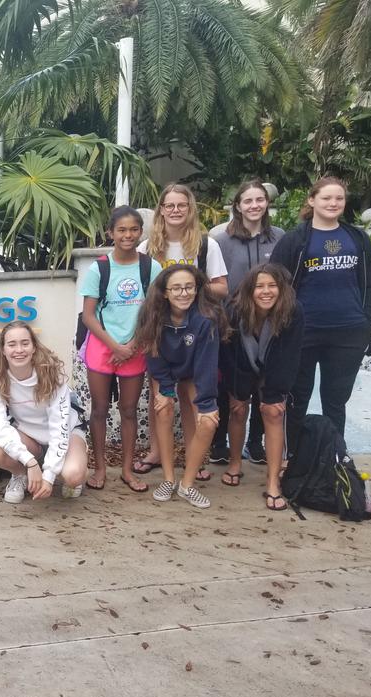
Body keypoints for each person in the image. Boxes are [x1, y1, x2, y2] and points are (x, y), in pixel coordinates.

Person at [270, 177, 371, 453]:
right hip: (303, 332)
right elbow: (275, 283)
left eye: (339, 199)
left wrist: (367, 320)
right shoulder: (294, 240)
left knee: (335, 401)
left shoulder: (357, 237)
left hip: (348, 333)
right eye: (326, 198)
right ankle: (293, 459)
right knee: (297, 398)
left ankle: (333, 459)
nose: (333, 203)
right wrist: (283, 322)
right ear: (312, 200)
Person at [134, 183, 228, 479]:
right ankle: (157, 452)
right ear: (161, 209)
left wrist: (186, 289)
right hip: (161, 328)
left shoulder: (205, 244)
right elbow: (140, 288)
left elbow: (223, 287)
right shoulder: (147, 246)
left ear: (190, 209)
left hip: (196, 330)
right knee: (159, 396)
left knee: (192, 397)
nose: (175, 211)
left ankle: (193, 456)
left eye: (181, 205)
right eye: (169, 205)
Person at [79, 206, 161, 493]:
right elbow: (88, 315)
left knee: (129, 410)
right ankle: (99, 468)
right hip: (102, 348)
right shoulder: (99, 268)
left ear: (141, 232)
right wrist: (116, 346)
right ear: (111, 233)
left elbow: (154, 312)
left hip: (135, 347)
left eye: (133, 230)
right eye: (122, 230)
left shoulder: (151, 267)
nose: (128, 235)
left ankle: (126, 469)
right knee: (99, 410)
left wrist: (132, 346)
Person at [135, 265, 230, 509]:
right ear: (165, 293)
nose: (183, 293)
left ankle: (187, 484)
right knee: (163, 408)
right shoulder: (153, 315)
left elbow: (206, 366)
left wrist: (207, 404)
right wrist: (165, 390)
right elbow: (154, 357)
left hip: (195, 372)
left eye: (189, 287)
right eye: (176, 288)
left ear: (197, 290)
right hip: (165, 371)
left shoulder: (205, 320)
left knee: (209, 421)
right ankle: (168, 478)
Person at [209, 181, 286, 466]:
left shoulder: (278, 237)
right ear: (238, 205)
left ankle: (255, 442)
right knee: (229, 384)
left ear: (266, 203)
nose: (254, 206)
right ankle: (220, 442)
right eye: (248, 201)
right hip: (232, 323)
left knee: (263, 385)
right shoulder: (221, 240)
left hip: (269, 324)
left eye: (260, 200)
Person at [220, 264, 304, 510]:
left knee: (274, 412)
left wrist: (274, 393)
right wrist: (238, 388)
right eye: (259, 286)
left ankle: (272, 482)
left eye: (272, 286)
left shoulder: (293, 312)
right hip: (241, 365)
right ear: (249, 290)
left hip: (275, 366)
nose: (265, 292)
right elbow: (228, 352)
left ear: (281, 289)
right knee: (237, 409)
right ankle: (235, 463)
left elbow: (290, 355)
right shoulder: (235, 311)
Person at [0, 321, 88, 503]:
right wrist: (30, 462)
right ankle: (21, 474)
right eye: (12, 344)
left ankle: (65, 465)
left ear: (33, 347)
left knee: (73, 476)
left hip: (67, 433)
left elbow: (59, 426)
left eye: (25, 343)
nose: (19, 350)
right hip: (30, 437)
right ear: (3, 350)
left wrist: (48, 476)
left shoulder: (52, 375)